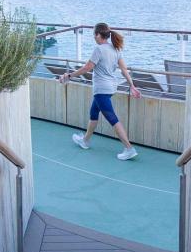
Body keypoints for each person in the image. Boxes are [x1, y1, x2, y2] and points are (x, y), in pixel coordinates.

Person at [59, 22, 141, 160]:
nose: (94, 37)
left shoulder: (99, 49)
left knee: (113, 119)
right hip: (109, 89)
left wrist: (68, 76)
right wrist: (132, 85)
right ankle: (85, 141)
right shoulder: (115, 49)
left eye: (94, 35)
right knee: (94, 113)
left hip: (101, 89)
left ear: (98, 35)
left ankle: (129, 148)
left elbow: (87, 68)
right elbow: (124, 70)